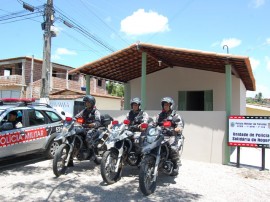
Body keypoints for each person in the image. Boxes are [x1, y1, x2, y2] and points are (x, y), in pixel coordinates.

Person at [155, 97, 184, 175]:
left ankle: (176, 162)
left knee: (173, 148)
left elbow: (180, 126)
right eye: (164, 104)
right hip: (160, 135)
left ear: (171, 105)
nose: (165, 106)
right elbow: (154, 123)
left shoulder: (175, 115)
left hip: (171, 135)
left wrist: (177, 129)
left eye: (167, 105)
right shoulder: (159, 115)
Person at [69, 95, 101, 166]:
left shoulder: (96, 111)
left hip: (93, 129)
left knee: (88, 137)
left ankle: (92, 153)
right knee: (73, 134)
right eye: (86, 102)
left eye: (88, 102)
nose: (86, 104)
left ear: (92, 103)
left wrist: (92, 124)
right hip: (84, 128)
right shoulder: (84, 111)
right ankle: (70, 159)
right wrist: (70, 120)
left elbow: (98, 122)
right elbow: (76, 117)